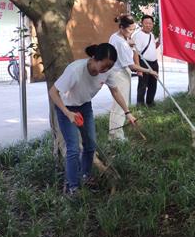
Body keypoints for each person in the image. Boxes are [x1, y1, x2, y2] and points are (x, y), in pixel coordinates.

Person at [49, 43, 137, 195]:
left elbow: (115, 91)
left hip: (85, 106)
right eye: (103, 66)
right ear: (95, 58)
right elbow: (53, 92)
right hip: (66, 108)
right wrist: (67, 113)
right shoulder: (75, 70)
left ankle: (86, 176)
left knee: (90, 145)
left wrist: (127, 112)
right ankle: (73, 187)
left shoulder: (107, 72)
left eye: (109, 68)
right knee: (73, 148)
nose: (105, 71)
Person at [109, 14, 157, 140]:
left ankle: (115, 133)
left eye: (133, 29)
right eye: (129, 30)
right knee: (120, 105)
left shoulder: (116, 37)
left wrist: (129, 43)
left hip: (119, 73)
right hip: (120, 75)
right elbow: (131, 66)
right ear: (121, 27)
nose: (131, 32)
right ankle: (116, 136)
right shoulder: (120, 42)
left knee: (118, 105)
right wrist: (149, 70)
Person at [133, 15, 160, 107]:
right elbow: (135, 53)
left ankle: (150, 102)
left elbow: (153, 47)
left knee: (153, 84)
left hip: (154, 63)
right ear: (142, 24)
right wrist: (138, 68)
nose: (148, 25)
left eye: (150, 23)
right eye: (146, 23)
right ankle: (140, 104)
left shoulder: (151, 35)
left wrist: (159, 41)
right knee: (143, 85)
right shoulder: (138, 35)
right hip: (143, 63)